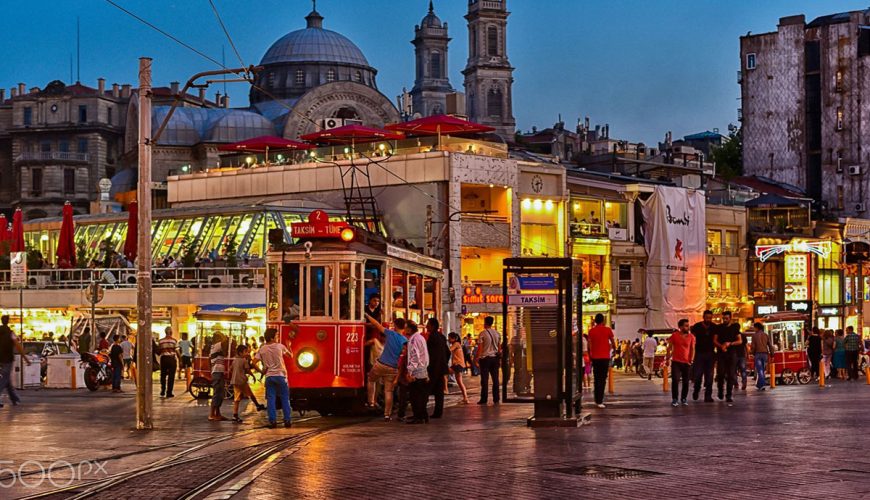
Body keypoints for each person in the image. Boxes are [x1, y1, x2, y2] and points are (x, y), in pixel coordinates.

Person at [365, 315, 407, 421]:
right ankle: (387, 415)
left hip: (381, 364)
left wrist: (367, 315)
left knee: (371, 379)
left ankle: (371, 402)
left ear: (396, 325)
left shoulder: (390, 333)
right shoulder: (404, 340)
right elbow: (404, 353)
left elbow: (376, 324)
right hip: (393, 368)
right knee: (388, 391)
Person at [255, 328, 294, 428]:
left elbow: (253, 362)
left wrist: (261, 371)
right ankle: (287, 420)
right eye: (277, 335)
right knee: (285, 398)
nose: (278, 337)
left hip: (269, 377)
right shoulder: (280, 346)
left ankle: (272, 421)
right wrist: (289, 346)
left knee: (271, 400)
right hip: (281, 376)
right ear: (272, 337)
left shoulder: (262, 349)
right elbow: (291, 356)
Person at [0, 315, 31, 408]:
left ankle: (15, 399)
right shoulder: (10, 333)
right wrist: (25, 358)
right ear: (8, 321)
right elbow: (18, 346)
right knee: (4, 379)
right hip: (7, 359)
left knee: (7, 379)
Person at [588, 313, 617, 409]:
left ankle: (597, 399)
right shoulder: (608, 330)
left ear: (595, 321)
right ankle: (600, 400)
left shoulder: (591, 331)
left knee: (596, 378)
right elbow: (613, 342)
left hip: (595, 358)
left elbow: (589, 344)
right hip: (605, 357)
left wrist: (590, 354)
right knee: (603, 379)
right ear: (603, 321)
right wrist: (614, 350)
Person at [231, 344, 265, 423]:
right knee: (250, 394)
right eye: (245, 352)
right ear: (240, 353)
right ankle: (257, 405)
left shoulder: (234, 360)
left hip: (235, 381)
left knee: (236, 399)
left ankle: (235, 415)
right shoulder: (244, 360)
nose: (247, 353)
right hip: (242, 381)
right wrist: (253, 375)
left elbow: (231, 369)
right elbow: (247, 370)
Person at [713, 311, 742, 405]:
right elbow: (714, 340)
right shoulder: (719, 327)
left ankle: (729, 394)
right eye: (723, 318)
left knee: (731, 375)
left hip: (732, 353)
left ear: (730, 318)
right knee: (720, 374)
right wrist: (721, 346)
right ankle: (720, 391)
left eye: (726, 318)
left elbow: (739, 341)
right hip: (721, 354)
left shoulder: (735, 327)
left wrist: (730, 344)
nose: (725, 320)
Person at [404, 320, 429, 424]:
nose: (405, 330)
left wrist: (410, 371)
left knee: (415, 396)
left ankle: (418, 417)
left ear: (409, 329)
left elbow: (415, 356)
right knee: (421, 396)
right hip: (422, 369)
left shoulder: (414, 340)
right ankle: (422, 415)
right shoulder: (420, 337)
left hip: (417, 371)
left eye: (406, 328)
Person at [666, 319, 695, 407]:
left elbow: (693, 349)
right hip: (676, 362)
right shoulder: (674, 335)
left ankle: (684, 398)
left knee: (686, 381)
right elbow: (669, 347)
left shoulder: (691, 337)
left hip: (687, 362)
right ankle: (675, 399)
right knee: (675, 380)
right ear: (680, 327)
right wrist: (667, 358)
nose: (687, 327)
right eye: (686, 326)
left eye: (688, 325)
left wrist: (691, 360)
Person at [425, 318, 450, 419]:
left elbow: (429, 354)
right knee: (439, 392)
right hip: (441, 368)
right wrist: (444, 362)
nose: (426, 326)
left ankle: (422, 412)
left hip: (433, 368)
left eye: (428, 324)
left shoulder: (432, 337)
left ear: (433, 326)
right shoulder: (442, 337)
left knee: (426, 390)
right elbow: (448, 352)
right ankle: (438, 412)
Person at [474, 316, 501, 406]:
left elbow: (480, 348)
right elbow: (499, 348)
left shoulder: (482, 333)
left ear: (485, 323)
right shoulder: (497, 333)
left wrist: (476, 358)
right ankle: (496, 398)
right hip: (495, 359)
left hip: (485, 359)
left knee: (484, 380)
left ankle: (484, 399)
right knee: (495, 379)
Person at [691, 309, 717, 401]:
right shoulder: (697, 326)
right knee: (698, 375)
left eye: (710, 318)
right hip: (699, 354)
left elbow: (716, 339)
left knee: (710, 376)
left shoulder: (714, 327)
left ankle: (708, 396)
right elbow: (692, 339)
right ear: (703, 317)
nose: (708, 319)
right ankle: (696, 390)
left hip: (710, 353)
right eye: (707, 318)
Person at [209, 332, 229, 421]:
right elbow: (225, 342)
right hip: (217, 371)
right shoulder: (216, 345)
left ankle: (218, 413)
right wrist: (226, 337)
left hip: (218, 371)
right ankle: (212, 414)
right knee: (217, 393)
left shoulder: (215, 347)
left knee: (220, 393)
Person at [750, 322, 773, 391]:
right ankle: (759, 385)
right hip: (765, 354)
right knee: (762, 370)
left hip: (758, 354)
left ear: (757, 327)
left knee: (760, 370)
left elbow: (753, 346)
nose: (754, 329)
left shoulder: (754, 336)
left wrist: (752, 353)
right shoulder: (766, 335)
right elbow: (770, 345)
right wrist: (772, 354)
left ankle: (762, 384)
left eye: (754, 327)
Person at [448, 332, 469, 404]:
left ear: (454, 338)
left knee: (444, 372)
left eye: (449, 338)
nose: (448, 339)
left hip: (458, 364)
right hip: (458, 364)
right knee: (459, 382)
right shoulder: (457, 344)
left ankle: (445, 389)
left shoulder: (456, 344)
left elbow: (448, 350)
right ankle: (465, 398)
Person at [157, 327, 178, 398]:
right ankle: (169, 392)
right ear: (171, 332)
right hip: (172, 359)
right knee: (171, 376)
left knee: (163, 375)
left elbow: (159, 352)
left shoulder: (161, 341)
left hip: (164, 359)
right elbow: (177, 351)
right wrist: (180, 360)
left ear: (165, 332)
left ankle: (163, 390)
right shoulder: (174, 341)